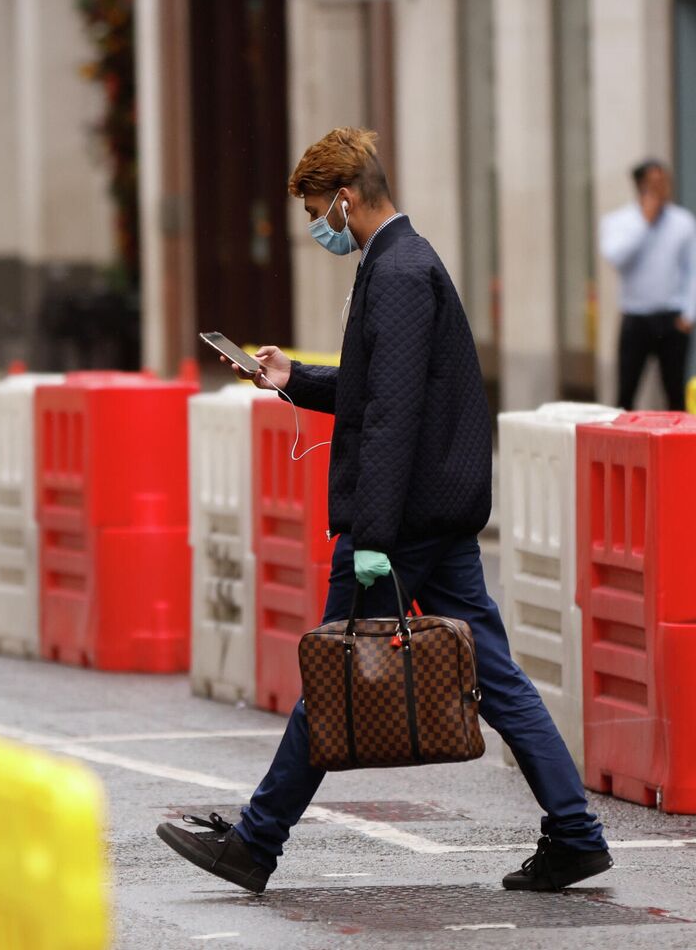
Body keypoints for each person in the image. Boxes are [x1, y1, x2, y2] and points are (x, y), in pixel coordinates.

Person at [160, 127, 611, 894]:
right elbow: (377, 386)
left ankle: (255, 842)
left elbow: (393, 415)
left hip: (401, 525)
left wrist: (370, 536)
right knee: (495, 678)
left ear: (344, 198)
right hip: (433, 514)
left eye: (316, 212)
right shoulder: (404, 261)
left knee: (334, 674)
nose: (317, 230)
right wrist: (291, 377)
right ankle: (574, 831)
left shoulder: (399, 273)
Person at [599, 159, 696, 411]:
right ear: (640, 186)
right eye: (653, 183)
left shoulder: (684, 222)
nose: (661, 189)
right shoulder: (620, 222)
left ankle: (679, 447)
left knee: (675, 393)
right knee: (626, 392)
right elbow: (615, 257)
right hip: (636, 317)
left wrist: (690, 314)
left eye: (664, 182)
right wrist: (644, 223)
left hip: (672, 318)